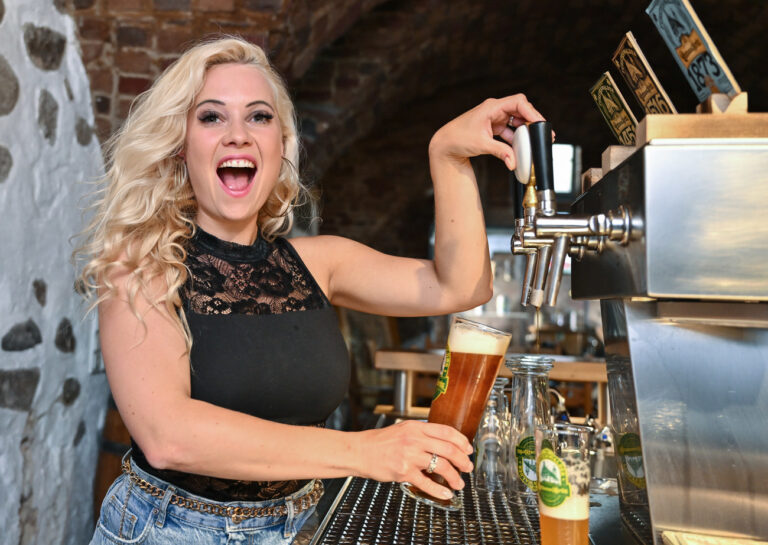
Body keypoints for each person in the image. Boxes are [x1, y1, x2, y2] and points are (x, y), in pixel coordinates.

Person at [76, 36, 546, 544]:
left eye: (259, 117)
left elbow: (461, 285)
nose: (238, 135)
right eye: (211, 117)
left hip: (298, 526)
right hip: (172, 531)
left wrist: (447, 154)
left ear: (280, 145)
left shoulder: (319, 262)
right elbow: (168, 436)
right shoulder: (141, 266)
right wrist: (368, 452)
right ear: (179, 145)